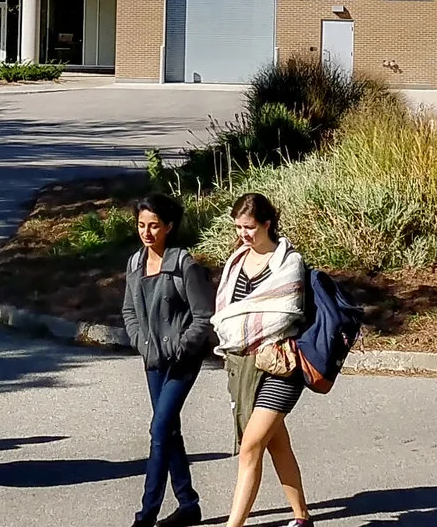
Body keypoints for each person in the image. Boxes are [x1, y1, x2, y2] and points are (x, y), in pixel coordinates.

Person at [211, 193, 312, 527]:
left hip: (281, 364)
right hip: (244, 364)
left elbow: (283, 312)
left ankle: (233, 525)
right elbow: (227, 312)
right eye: (239, 227)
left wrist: (248, 331)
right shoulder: (236, 260)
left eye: (250, 227)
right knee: (276, 444)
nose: (244, 234)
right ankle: (302, 517)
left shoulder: (288, 263)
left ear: (267, 224)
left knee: (251, 445)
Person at [122, 192, 217, 527]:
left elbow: (204, 317)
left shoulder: (183, 265)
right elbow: (129, 310)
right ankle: (189, 505)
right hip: (153, 362)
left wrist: (179, 348)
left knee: (159, 429)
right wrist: (141, 343)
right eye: (141, 225)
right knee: (170, 431)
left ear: (169, 226)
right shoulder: (135, 264)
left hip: (181, 362)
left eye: (154, 226)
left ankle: (146, 514)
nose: (147, 233)